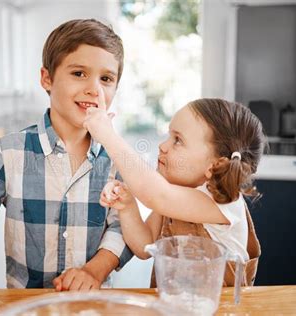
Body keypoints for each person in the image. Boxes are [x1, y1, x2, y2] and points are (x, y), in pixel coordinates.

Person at [0, 19, 132, 294]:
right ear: (47, 78)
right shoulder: (9, 151)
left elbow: (122, 229)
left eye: (106, 78)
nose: (95, 89)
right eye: (79, 73)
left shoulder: (116, 156)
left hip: (91, 304)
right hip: (23, 303)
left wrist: (94, 270)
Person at [84, 97, 264, 286]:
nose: (162, 146)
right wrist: (127, 206)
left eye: (177, 140)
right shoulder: (175, 197)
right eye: (169, 136)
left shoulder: (223, 202)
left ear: (215, 164)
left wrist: (107, 135)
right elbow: (144, 246)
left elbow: (158, 195)